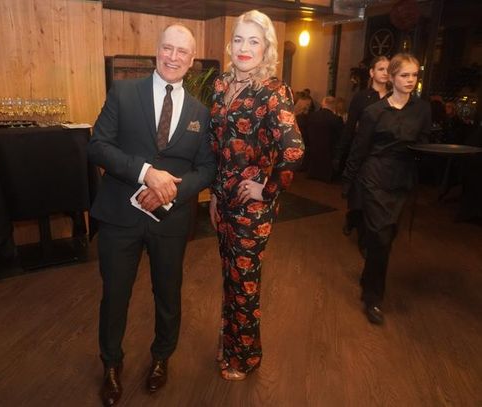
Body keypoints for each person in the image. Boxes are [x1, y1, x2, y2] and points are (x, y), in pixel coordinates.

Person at [87, 24, 216, 405]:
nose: (173, 57)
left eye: (182, 52)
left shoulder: (201, 113)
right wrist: (146, 173)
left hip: (171, 221)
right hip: (119, 217)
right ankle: (111, 364)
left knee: (168, 295)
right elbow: (97, 147)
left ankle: (162, 358)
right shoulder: (124, 93)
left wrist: (171, 190)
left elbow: (207, 168)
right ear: (156, 51)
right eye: (167, 48)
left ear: (192, 61)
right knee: (115, 295)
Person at [208, 10, 304, 380]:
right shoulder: (221, 84)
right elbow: (217, 147)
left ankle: (246, 358)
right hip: (223, 201)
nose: (244, 48)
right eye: (238, 39)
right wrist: (214, 194)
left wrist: (268, 190)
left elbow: (294, 150)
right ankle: (230, 343)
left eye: (254, 41)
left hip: (251, 208)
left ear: (266, 49)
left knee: (245, 285)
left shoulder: (273, 92)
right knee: (229, 278)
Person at [342, 53, 431, 325]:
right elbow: (359, 150)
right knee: (380, 238)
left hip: (402, 181)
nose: (410, 80)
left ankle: (368, 276)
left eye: (414, 75)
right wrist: (348, 182)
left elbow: (424, 143)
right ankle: (372, 298)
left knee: (387, 236)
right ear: (391, 77)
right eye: (404, 75)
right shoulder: (374, 112)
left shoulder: (422, 110)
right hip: (374, 178)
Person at [335, 56, 390, 254]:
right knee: (360, 199)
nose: (385, 72)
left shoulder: (394, 98)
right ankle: (361, 235)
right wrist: (339, 155)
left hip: (384, 157)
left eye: (388, 69)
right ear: (372, 72)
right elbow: (349, 128)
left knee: (375, 203)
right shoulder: (361, 98)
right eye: (381, 69)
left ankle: (356, 223)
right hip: (362, 156)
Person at [304, 96, 344, 182]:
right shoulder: (336, 119)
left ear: (323, 104)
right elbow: (341, 137)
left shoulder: (312, 116)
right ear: (334, 106)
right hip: (328, 151)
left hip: (313, 149)